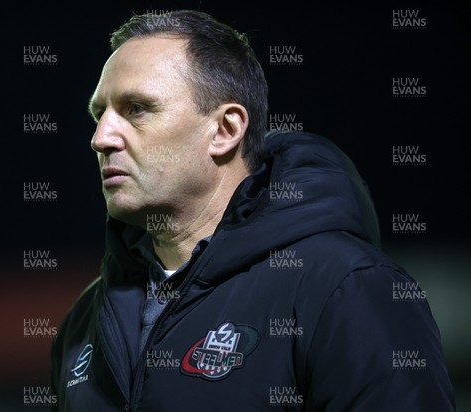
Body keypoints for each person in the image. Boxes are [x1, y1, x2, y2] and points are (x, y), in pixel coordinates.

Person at [51, 10, 455, 411]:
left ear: (225, 130)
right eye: (98, 114)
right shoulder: (84, 319)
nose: (100, 138)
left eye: (136, 108)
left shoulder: (344, 286)